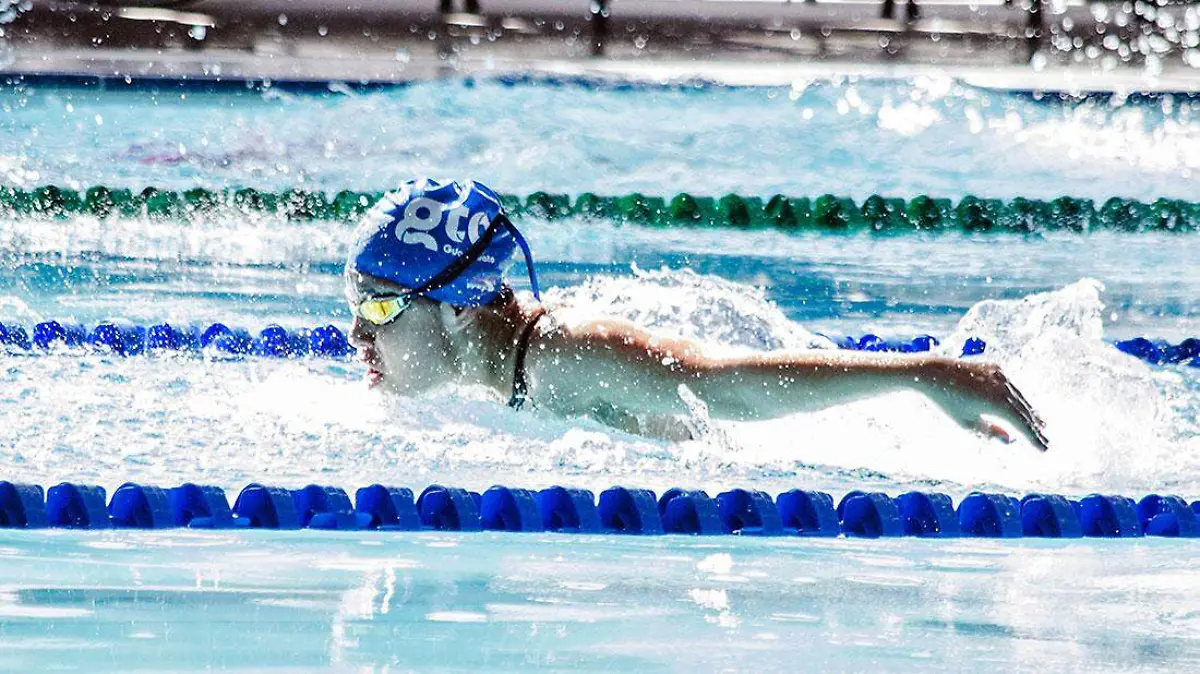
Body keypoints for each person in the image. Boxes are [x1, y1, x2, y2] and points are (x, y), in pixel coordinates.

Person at [345, 178, 1049, 451]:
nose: (358, 335)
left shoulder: (566, 355)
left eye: (378, 307)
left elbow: (724, 387)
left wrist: (922, 374)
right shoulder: (490, 375)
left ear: (461, 307)